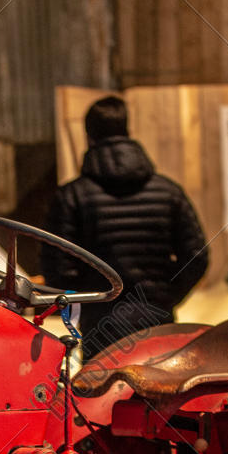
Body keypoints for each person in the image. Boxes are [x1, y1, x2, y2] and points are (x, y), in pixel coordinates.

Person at [42, 95, 209, 354]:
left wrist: (87, 299)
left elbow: (56, 268)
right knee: (158, 390)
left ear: (89, 136)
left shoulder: (71, 197)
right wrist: (165, 297)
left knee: (103, 393)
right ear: (127, 130)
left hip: (101, 326)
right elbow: (196, 257)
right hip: (156, 320)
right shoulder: (168, 191)